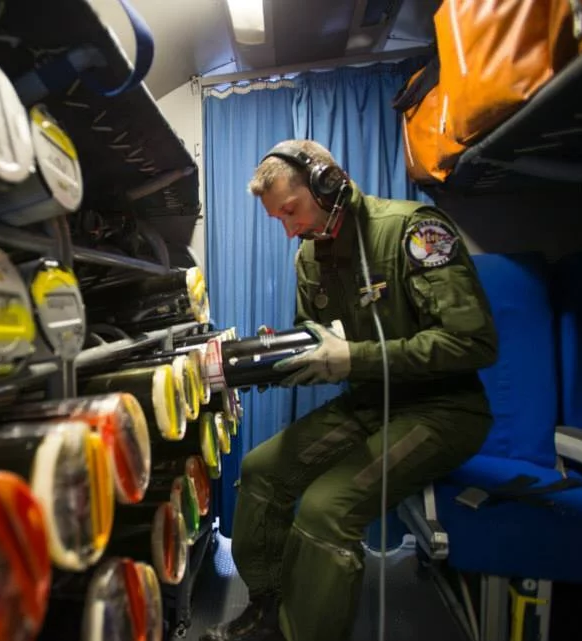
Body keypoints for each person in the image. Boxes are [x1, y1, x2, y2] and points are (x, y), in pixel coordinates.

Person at [201, 140, 498, 641]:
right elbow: (316, 338)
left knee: (325, 509)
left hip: (443, 410)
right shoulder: (309, 258)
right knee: (259, 473)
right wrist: (272, 362)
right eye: (279, 220)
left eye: (290, 211)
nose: (290, 229)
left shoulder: (414, 231)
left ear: (328, 182)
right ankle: (269, 612)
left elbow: (472, 343)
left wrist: (352, 358)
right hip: (366, 404)